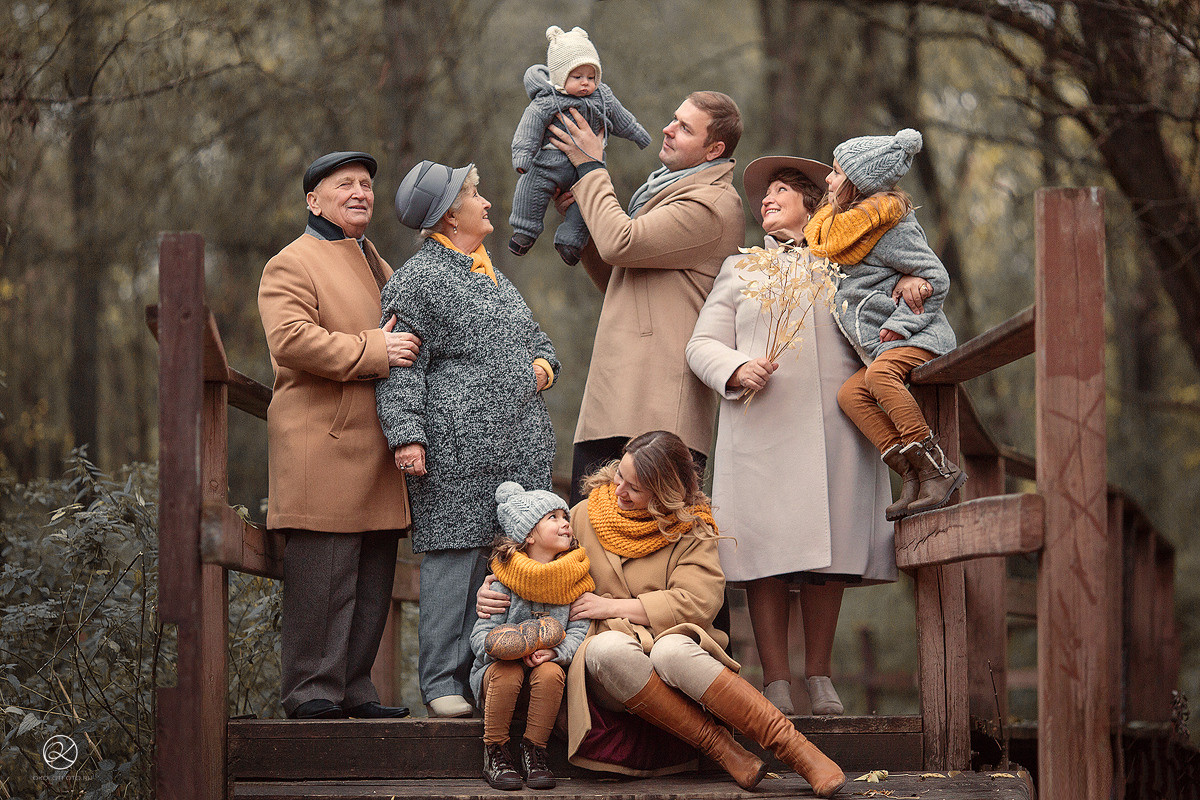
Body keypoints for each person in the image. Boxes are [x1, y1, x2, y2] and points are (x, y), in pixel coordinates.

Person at [479, 431, 847, 797]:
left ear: (664, 493)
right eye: (620, 475)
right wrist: (495, 585)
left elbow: (698, 601)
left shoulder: (692, 528)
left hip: (677, 655)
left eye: (634, 487)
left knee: (671, 651)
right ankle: (723, 749)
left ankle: (797, 750)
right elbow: (535, 562)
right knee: (608, 649)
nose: (619, 490)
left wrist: (613, 606)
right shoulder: (585, 515)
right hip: (605, 667)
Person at [688, 156, 928, 715]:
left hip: (838, 429)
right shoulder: (740, 268)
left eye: (779, 191)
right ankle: (775, 680)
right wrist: (734, 368)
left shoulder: (851, 263)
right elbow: (700, 344)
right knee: (764, 555)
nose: (766, 200)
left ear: (812, 203)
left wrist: (913, 280)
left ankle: (819, 678)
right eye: (763, 195)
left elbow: (908, 284)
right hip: (760, 430)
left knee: (831, 555)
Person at [377, 160, 560, 719]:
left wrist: (540, 370)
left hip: (514, 454)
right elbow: (400, 366)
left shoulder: (491, 275)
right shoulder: (418, 278)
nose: (487, 203)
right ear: (452, 214)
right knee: (452, 566)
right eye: (476, 196)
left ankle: (489, 680)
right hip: (455, 454)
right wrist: (407, 436)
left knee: (502, 568)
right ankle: (440, 683)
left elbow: (540, 341)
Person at [258, 150, 418, 720]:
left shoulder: (375, 260)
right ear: (313, 200)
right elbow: (291, 340)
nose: (360, 192)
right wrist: (374, 349)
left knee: (372, 577)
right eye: (344, 184)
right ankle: (311, 694)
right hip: (322, 446)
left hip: (375, 446)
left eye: (367, 185)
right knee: (324, 578)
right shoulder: (291, 263)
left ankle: (354, 688)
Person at [548, 91, 745, 505]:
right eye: (674, 118)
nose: (667, 130)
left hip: (658, 410)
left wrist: (590, 167)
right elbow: (621, 277)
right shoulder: (664, 191)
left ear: (715, 149)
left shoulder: (711, 205)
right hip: (615, 397)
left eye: (685, 128)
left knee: (649, 550)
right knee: (592, 539)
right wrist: (583, 221)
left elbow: (621, 242)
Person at [804, 129, 966, 517]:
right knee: (850, 394)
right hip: (882, 346)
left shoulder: (890, 226)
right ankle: (911, 477)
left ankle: (938, 470)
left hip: (920, 335)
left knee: (878, 378)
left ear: (859, 184)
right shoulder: (840, 229)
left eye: (837, 172)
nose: (828, 179)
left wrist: (902, 323)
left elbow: (936, 278)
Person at [469, 482, 593, 791]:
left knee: (551, 672)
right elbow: (480, 632)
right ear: (529, 535)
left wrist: (555, 652)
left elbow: (580, 629)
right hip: (498, 681)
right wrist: (500, 647)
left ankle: (535, 751)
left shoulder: (575, 580)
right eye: (553, 517)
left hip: (543, 687)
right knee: (507, 672)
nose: (565, 523)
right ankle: (495, 751)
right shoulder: (502, 582)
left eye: (565, 516)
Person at [508, 25, 652, 265]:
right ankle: (524, 231)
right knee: (530, 188)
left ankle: (571, 242)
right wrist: (523, 155)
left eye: (591, 77)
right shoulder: (547, 101)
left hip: (585, 171)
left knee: (587, 205)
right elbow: (529, 127)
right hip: (548, 163)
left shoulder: (603, 97)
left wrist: (638, 133)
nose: (586, 83)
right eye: (577, 77)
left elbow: (620, 117)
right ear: (561, 76)